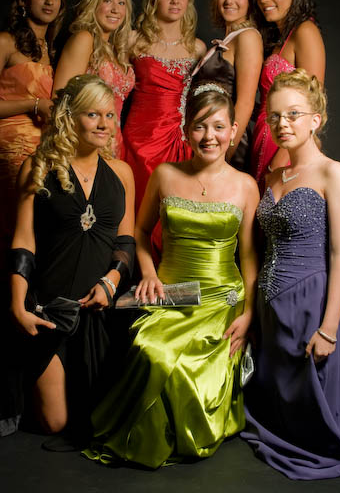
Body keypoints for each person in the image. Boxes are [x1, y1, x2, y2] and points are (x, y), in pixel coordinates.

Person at [83, 82, 259, 468]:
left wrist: (249, 314)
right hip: (170, 292)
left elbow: (248, 256)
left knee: (185, 368)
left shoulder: (246, 186)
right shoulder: (164, 174)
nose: (209, 136)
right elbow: (140, 231)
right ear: (185, 130)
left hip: (221, 299)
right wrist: (149, 274)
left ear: (232, 131)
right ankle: (142, 437)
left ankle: (182, 436)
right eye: (200, 126)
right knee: (151, 350)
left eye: (218, 126)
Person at [241, 69, 340, 479]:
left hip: (313, 303)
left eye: (293, 114)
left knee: (317, 421)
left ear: (315, 119)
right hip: (273, 308)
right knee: (281, 409)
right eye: (275, 116)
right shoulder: (272, 177)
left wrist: (329, 328)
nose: (282, 124)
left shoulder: (334, 173)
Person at [0, 75, 135, 438]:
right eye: (93, 114)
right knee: (55, 422)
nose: (104, 124)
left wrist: (110, 283)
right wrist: (17, 306)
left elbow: (126, 242)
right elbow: (23, 240)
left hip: (98, 310)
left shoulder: (122, 173)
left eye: (109, 115)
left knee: (98, 422)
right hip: (49, 310)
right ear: (70, 117)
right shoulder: (38, 167)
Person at [0, 0, 66, 310]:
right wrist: (32, 104)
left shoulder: (52, 48)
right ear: (24, 0)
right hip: (8, 142)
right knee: (7, 227)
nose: (49, 0)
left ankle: (25, 308)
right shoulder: (5, 41)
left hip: (42, 145)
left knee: (35, 227)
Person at [122, 0, 206, 213]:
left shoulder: (198, 48)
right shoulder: (133, 40)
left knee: (175, 205)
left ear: (188, 0)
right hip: (139, 136)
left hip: (178, 138)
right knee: (138, 204)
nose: (175, 1)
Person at [248, 0, 326, 190]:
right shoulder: (277, 39)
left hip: (286, 146)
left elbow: (313, 102)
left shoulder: (305, 31)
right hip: (264, 137)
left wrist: (280, 161)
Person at [191, 0, 263, 170]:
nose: (229, 0)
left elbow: (246, 103)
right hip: (210, 137)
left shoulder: (248, 37)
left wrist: (225, 154)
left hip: (229, 143)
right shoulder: (227, 39)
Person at [53, 0, 135, 158]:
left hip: (115, 142)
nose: (115, 9)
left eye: (121, 3)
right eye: (107, 1)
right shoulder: (84, 39)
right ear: (93, 3)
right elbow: (59, 102)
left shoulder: (116, 50)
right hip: (85, 142)